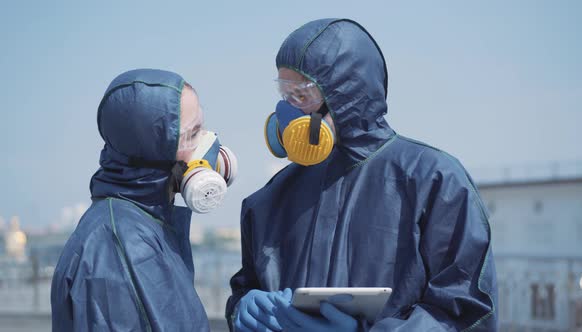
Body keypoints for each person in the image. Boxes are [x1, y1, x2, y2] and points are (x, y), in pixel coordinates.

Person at [226, 19, 497, 331]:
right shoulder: (271, 198)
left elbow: (464, 311)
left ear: (346, 93)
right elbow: (247, 287)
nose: (288, 110)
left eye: (302, 95)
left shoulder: (433, 180)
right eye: (285, 93)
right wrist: (240, 309)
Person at [51, 68, 238, 331]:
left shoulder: (140, 224)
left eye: (202, 128)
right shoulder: (119, 245)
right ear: (153, 149)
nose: (207, 144)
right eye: (193, 134)